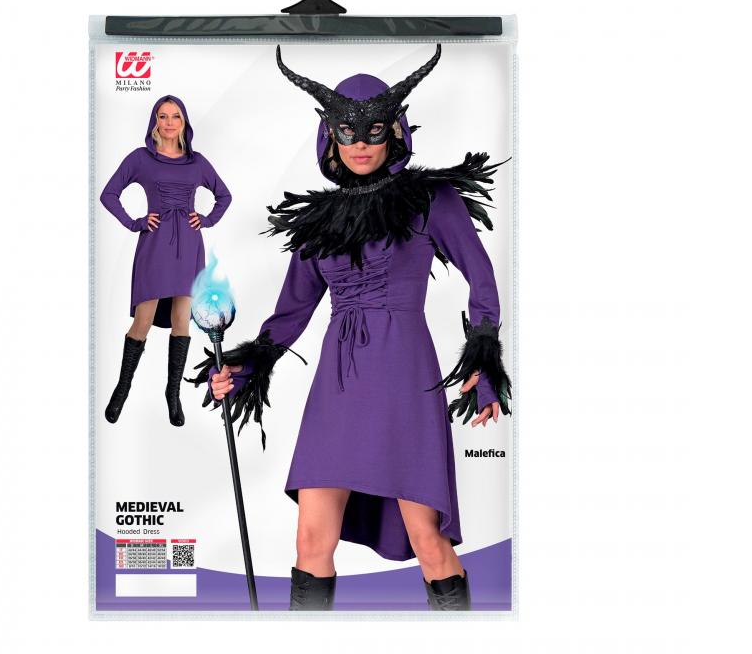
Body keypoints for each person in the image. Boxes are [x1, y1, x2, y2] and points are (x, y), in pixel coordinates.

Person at [190, 45, 512, 611]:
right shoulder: (320, 221)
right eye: (348, 132)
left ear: (394, 132)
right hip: (337, 384)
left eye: (374, 131)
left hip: (405, 375)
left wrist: (483, 358)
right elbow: (290, 313)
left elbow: (481, 276)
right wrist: (244, 368)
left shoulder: (431, 200)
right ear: (331, 137)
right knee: (311, 538)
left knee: (427, 537)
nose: (361, 143)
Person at [101, 95, 231, 427]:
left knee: (182, 320)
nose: (169, 122)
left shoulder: (197, 162)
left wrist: (208, 219)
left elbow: (224, 195)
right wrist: (135, 223)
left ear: (184, 122)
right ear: (155, 121)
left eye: (175, 116)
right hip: (155, 244)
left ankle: (173, 395)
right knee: (142, 321)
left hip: (189, 245)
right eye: (163, 116)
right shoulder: (141, 158)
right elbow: (108, 194)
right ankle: (122, 389)